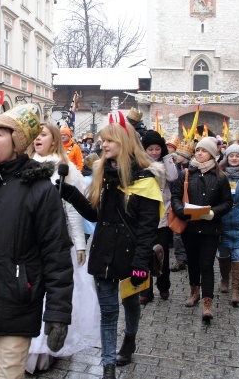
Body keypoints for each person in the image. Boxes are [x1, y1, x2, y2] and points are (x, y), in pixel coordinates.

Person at [0, 104, 73, 379]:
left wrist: (58, 313)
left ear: (18, 141)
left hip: (18, 301)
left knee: (8, 374)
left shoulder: (40, 190)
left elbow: (56, 254)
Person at [57, 113, 162, 379]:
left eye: (109, 140)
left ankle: (129, 339)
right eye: (102, 140)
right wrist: (70, 193)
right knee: (108, 312)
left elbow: (147, 228)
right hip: (104, 251)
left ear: (124, 141)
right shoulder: (103, 172)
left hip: (131, 254)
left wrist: (140, 264)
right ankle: (108, 366)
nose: (103, 144)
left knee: (129, 304)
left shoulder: (145, 179)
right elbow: (95, 215)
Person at [25, 122, 99, 374]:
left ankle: (45, 349)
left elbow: (73, 210)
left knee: (53, 297)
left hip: (58, 242)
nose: (38, 139)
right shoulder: (24, 166)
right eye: (35, 135)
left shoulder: (65, 170)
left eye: (43, 135)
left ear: (54, 140)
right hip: (30, 243)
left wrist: (79, 243)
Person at [171, 136, 233, 322]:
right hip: (190, 227)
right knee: (193, 263)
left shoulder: (220, 177)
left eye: (204, 150)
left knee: (206, 265)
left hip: (210, 229)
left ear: (212, 154)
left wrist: (214, 213)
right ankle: (194, 291)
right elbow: (176, 197)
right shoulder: (186, 174)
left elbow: (228, 202)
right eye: (198, 150)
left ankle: (207, 302)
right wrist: (181, 211)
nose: (199, 153)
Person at [139, 130, 177, 304]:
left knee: (162, 255)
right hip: (144, 215)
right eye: (150, 149)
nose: (154, 152)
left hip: (162, 213)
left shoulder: (165, 161)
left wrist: (167, 156)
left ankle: (164, 285)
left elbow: (173, 176)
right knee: (144, 253)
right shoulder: (140, 163)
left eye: (157, 149)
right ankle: (145, 290)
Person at [218, 144, 239, 306]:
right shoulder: (220, 175)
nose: (234, 158)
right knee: (224, 254)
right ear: (227, 158)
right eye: (231, 156)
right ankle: (225, 278)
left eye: (237, 156)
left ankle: (236, 289)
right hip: (223, 221)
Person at [170, 139, 194, 273]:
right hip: (177, 203)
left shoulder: (192, 170)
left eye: (179, 154)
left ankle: (190, 258)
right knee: (177, 234)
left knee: (189, 234)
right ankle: (180, 259)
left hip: (189, 203)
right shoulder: (174, 169)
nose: (176, 156)